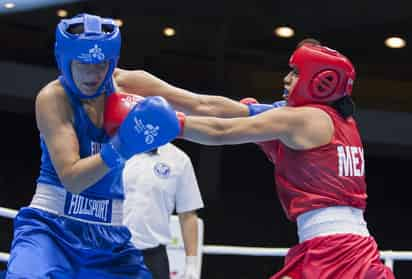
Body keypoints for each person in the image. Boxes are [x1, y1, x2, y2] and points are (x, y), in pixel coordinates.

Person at [109, 39, 395, 278]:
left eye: (295, 72)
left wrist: (164, 124)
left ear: (321, 81)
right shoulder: (337, 122)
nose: (286, 78)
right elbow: (207, 105)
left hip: (335, 253)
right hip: (339, 247)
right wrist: (119, 77)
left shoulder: (304, 120)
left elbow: (222, 131)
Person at [6, 13, 181, 279]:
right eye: (83, 64)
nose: (93, 73)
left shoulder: (127, 87)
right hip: (52, 228)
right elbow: (73, 179)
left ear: (112, 62)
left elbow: (203, 108)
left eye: (101, 64)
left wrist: (256, 114)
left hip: (110, 237)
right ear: (66, 61)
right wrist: (122, 146)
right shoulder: (54, 98)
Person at [122, 144, 204, 279]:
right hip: (110, 251)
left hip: (153, 258)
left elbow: (188, 215)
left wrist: (191, 264)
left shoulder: (180, 160)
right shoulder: (115, 146)